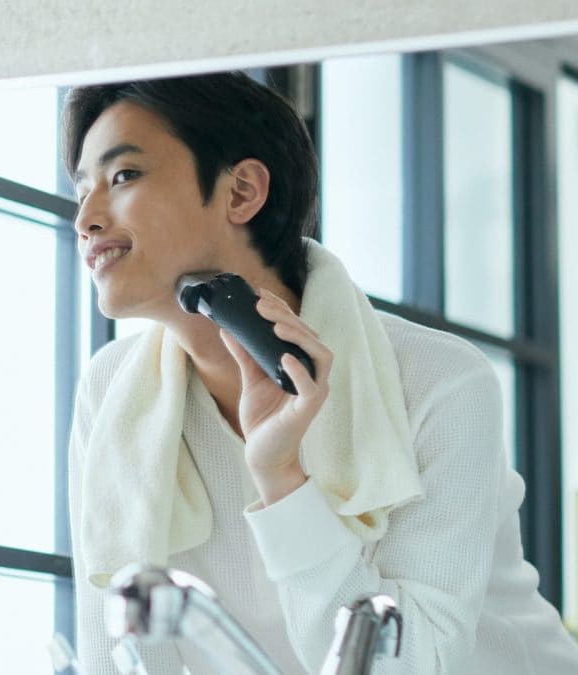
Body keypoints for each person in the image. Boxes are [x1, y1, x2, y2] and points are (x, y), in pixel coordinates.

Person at [63, 72, 578, 674]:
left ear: (241, 192)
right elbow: (117, 650)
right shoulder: (112, 390)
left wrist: (282, 480)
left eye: (123, 176)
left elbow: (408, 665)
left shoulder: (438, 379)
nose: (87, 220)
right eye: (80, 191)